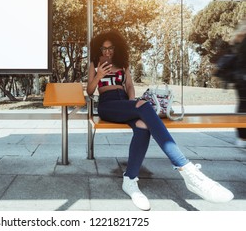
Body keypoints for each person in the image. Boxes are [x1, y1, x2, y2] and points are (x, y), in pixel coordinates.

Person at [87, 29, 234, 211]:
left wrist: (132, 102)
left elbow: (130, 85)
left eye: (110, 48)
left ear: (116, 48)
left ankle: (130, 180)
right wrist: (99, 76)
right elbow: (89, 90)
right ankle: (186, 168)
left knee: (142, 125)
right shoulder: (94, 63)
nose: (107, 52)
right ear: (99, 49)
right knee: (146, 107)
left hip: (125, 102)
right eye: (103, 48)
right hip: (108, 104)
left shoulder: (123, 64)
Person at [230, 18, 246, 148]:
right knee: (243, 106)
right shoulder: (243, 40)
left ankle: (241, 136)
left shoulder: (238, 39)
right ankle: (242, 136)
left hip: (239, 77)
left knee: (242, 105)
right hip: (243, 77)